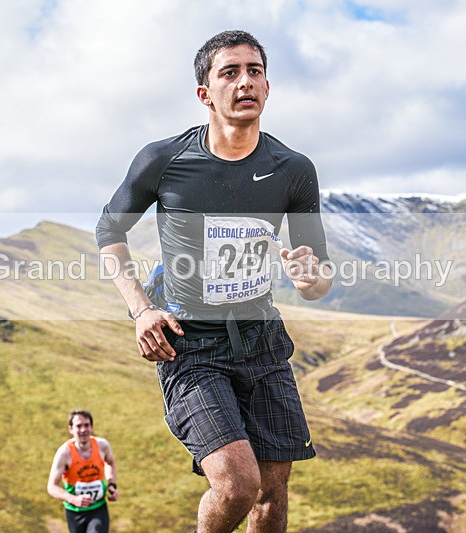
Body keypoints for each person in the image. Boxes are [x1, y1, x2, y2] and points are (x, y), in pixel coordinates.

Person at [95, 30, 332, 533]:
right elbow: (109, 230)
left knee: (272, 490)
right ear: (205, 93)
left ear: (268, 87)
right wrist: (141, 311)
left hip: (263, 341)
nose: (245, 82)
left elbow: (318, 280)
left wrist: (310, 278)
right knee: (237, 485)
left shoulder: (293, 169)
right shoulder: (164, 161)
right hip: (192, 345)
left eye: (255, 71)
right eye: (229, 73)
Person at [47, 409, 118, 533]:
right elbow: (52, 487)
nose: (83, 430)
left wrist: (111, 484)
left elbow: (110, 463)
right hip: (74, 512)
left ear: (91, 427)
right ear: (71, 429)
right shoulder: (64, 453)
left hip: (98, 508)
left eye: (86, 425)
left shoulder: (102, 446)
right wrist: (73, 499)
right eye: (79, 426)